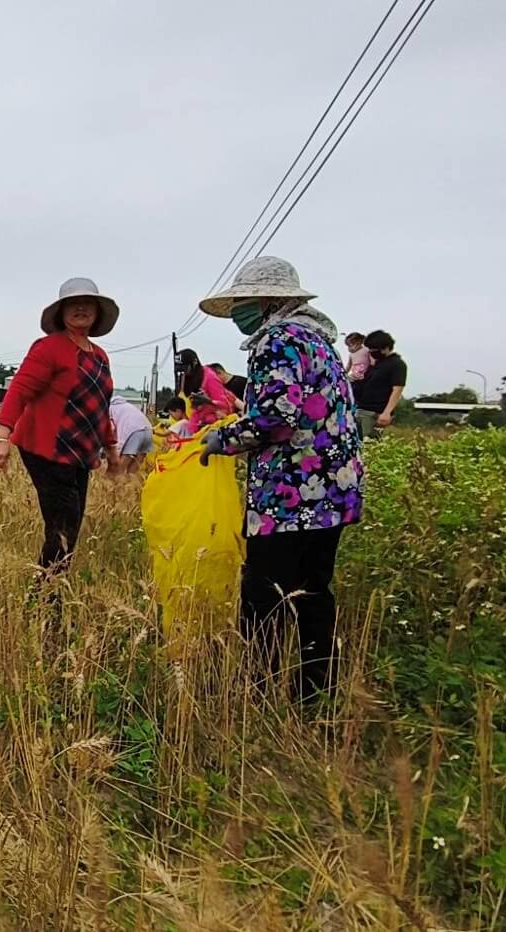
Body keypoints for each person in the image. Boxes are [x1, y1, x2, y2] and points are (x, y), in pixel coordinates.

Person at [197, 257, 364, 700]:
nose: (238, 312)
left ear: (270, 301)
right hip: (334, 489)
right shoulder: (319, 341)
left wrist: (222, 439)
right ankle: (315, 693)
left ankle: (258, 688)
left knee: (264, 593)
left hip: (291, 492)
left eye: (244, 302)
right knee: (312, 591)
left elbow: (275, 416)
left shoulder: (277, 339)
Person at [0, 277, 119, 579]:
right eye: (73, 304)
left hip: (81, 453)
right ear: (61, 312)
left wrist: (111, 449)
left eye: (87, 304)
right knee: (63, 526)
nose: (81, 308)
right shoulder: (49, 348)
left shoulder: (100, 356)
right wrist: (1, 437)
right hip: (47, 449)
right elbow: (19, 390)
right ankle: (47, 597)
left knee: (71, 525)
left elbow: (100, 406)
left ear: (98, 312)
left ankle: (47, 591)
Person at [354, 330, 407, 437]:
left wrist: (387, 412)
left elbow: (397, 389)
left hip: (375, 412)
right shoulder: (377, 363)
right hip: (361, 408)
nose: (371, 352)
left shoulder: (397, 364)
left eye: (374, 350)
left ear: (386, 348)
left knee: (366, 441)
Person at [177, 349, 242, 426]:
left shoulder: (209, 377)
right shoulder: (189, 379)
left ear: (194, 363)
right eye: (180, 370)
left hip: (218, 422)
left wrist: (208, 401)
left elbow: (225, 405)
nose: (183, 373)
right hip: (200, 421)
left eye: (185, 369)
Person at [108, 395, 153, 476]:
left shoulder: (110, 409)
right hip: (148, 430)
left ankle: (119, 481)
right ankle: (131, 481)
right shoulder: (128, 406)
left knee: (123, 463)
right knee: (138, 460)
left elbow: (112, 430)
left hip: (134, 432)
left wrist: (117, 450)